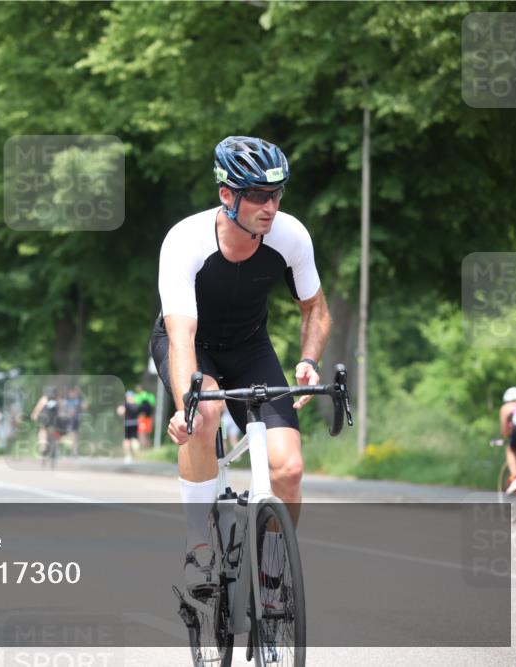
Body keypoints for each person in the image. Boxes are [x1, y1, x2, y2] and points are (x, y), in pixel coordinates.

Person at [149, 136, 330, 604]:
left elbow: (315, 309)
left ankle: (272, 574)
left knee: (288, 470)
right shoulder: (185, 241)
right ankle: (199, 547)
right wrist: (187, 403)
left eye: (275, 195)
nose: (268, 207)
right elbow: (182, 336)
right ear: (226, 195)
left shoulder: (290, 235)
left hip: (250, 347)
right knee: (204, 418)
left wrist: (308, 360)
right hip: (192, 344)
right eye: (255, 195)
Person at [116, 391, 142, 464]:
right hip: (135, 423)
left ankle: (128, 456)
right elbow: (141, 413)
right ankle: (136, 455)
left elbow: (120, 411)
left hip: (127, 424)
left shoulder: (125, 405)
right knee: (134, 439)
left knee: (127, 440)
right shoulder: (136, 405)